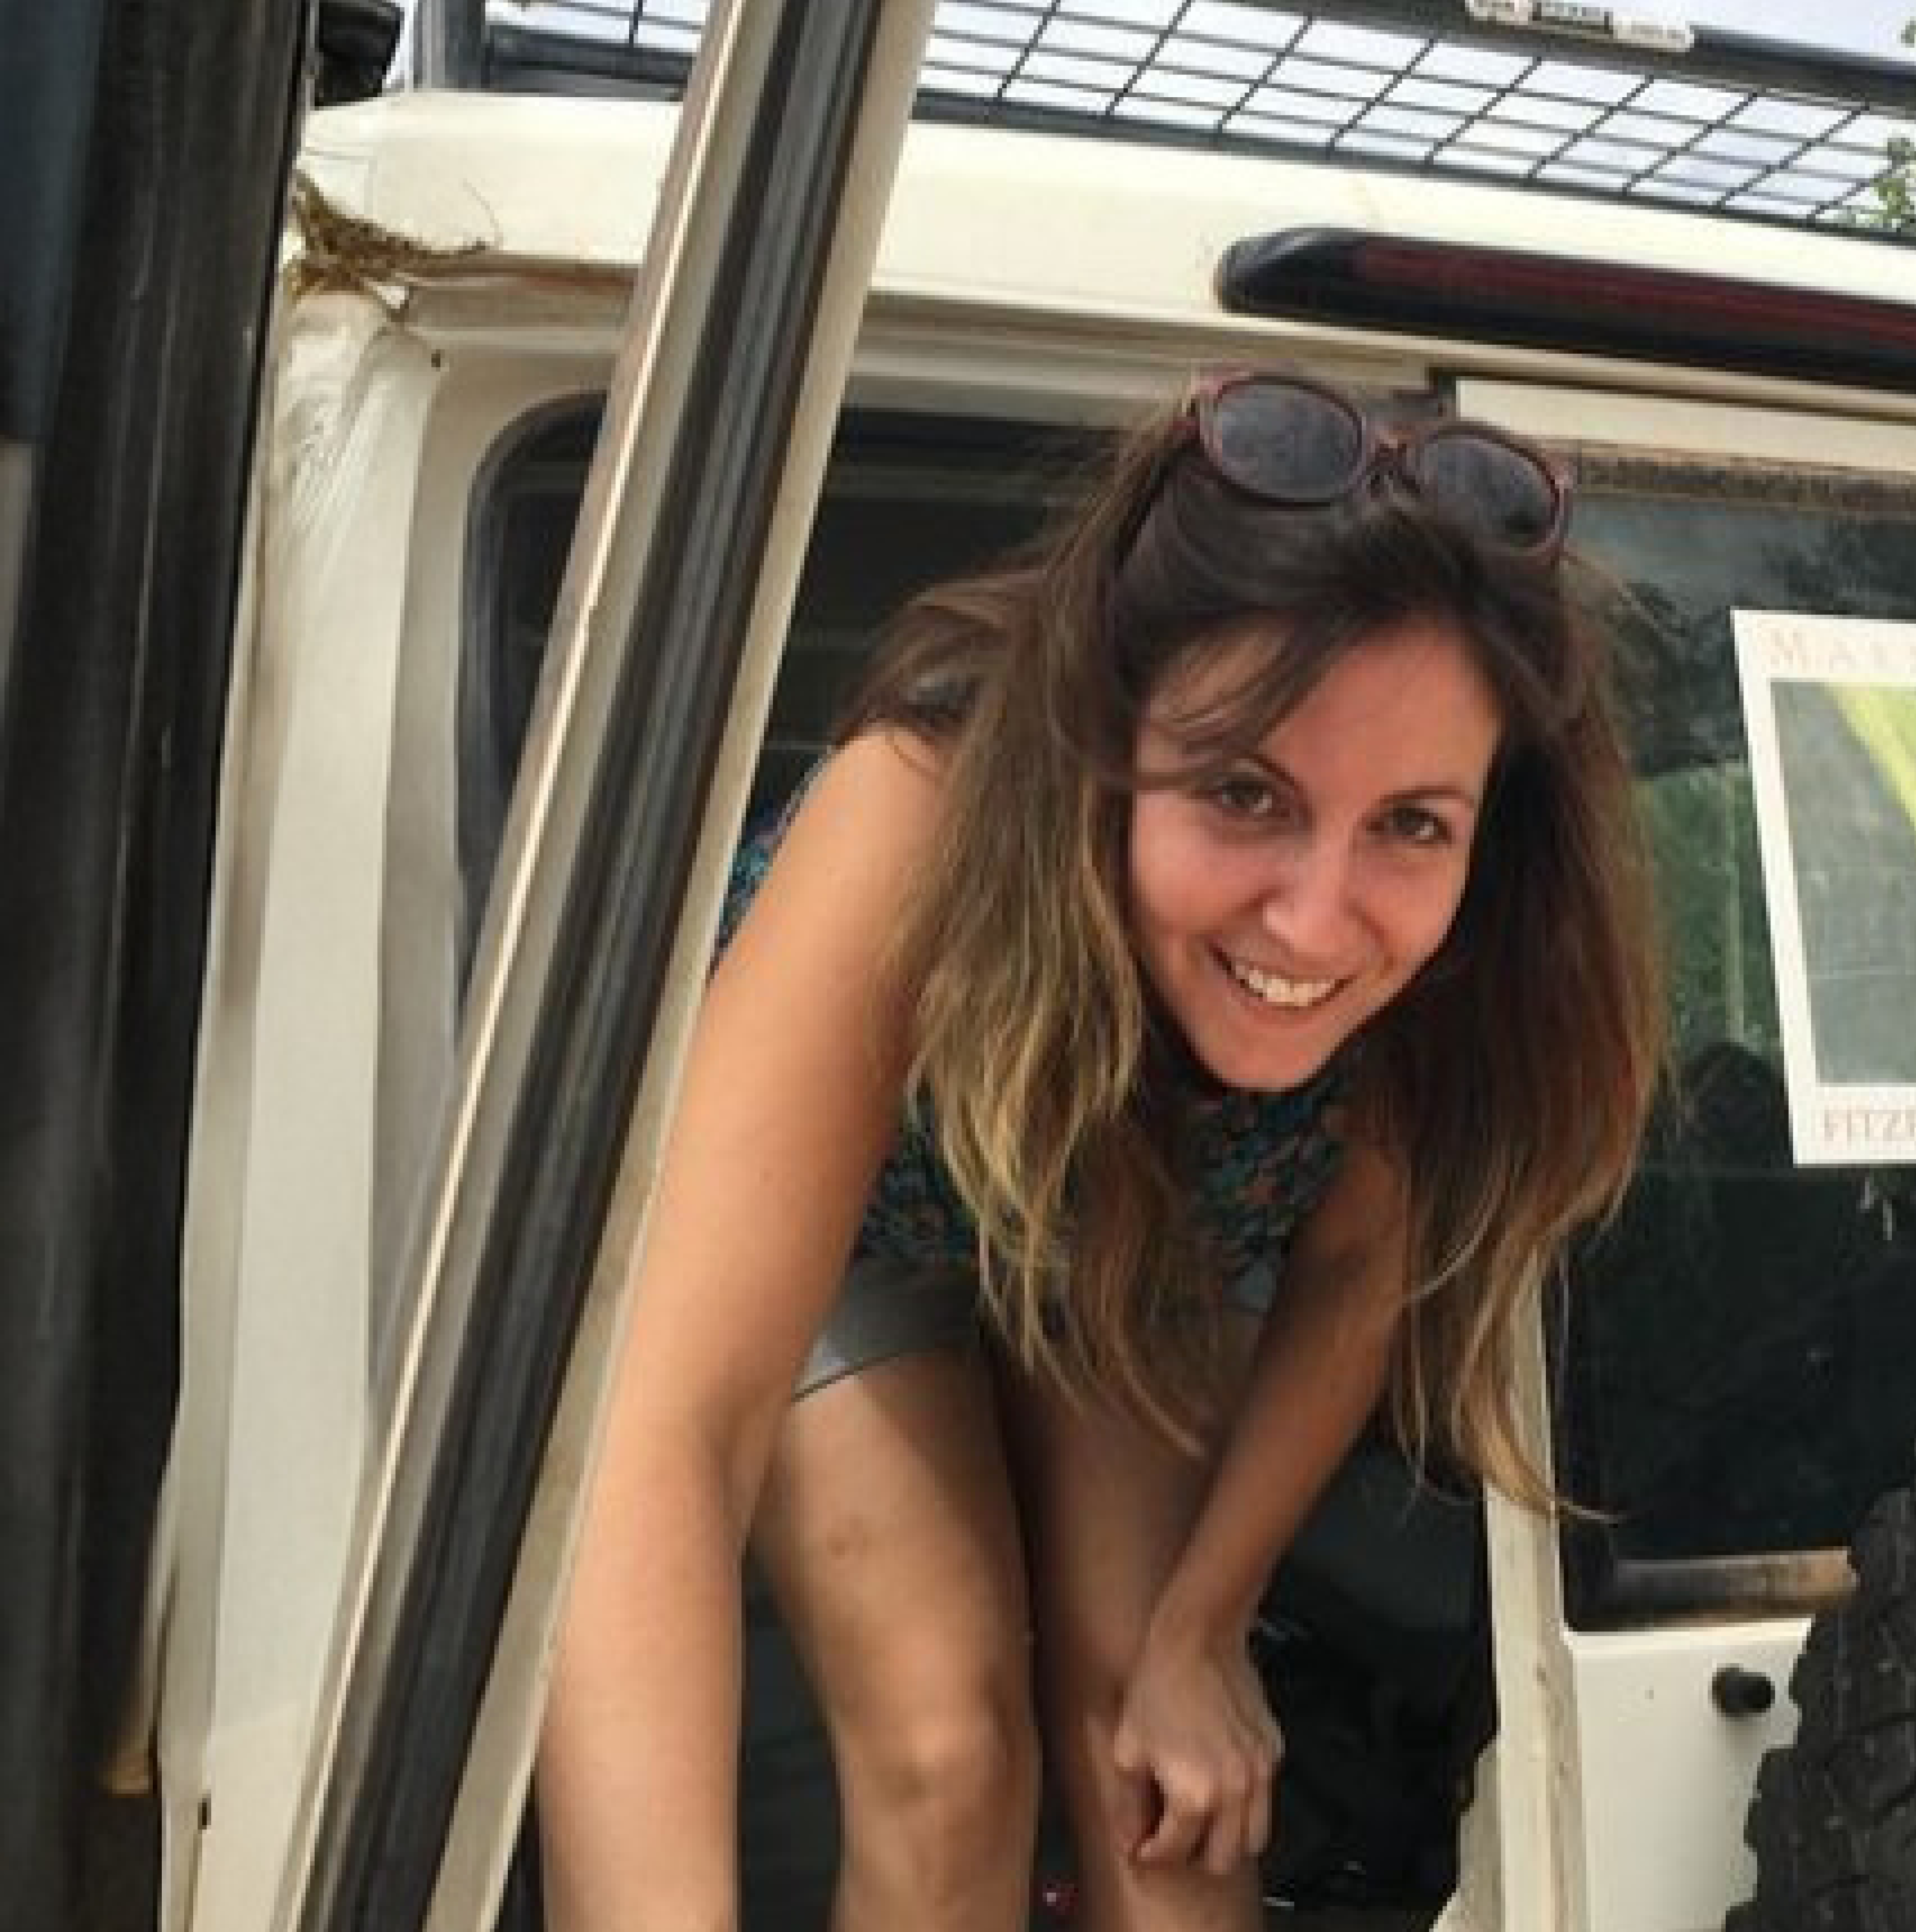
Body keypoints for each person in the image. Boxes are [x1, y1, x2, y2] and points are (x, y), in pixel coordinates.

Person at [535, 368, 1665, 1932]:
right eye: (1242, 791)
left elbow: (1348, 1276)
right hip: (867, 1219)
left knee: (1174, 1803)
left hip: (1130, 1234)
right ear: (1108, 734)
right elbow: (666, 1419)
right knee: (948, 1752)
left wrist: (1206, 1629)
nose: (1318, 919)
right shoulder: (925, 813)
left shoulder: (1451, 956)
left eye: (1411, 821)